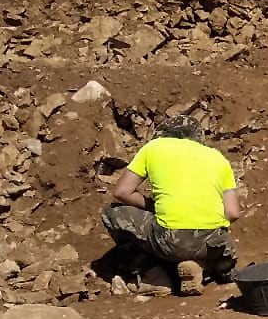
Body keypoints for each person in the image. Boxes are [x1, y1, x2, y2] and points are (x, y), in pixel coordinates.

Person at [102, 115, 241, 296]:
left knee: (111, 213)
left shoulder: (154, 148)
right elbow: (233, 213)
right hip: (213, 243)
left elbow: (121, 192)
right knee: (213, 246)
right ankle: (204, 265)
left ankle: (154, 276)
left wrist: (151, 206)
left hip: (171, 240)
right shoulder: (218, 158)